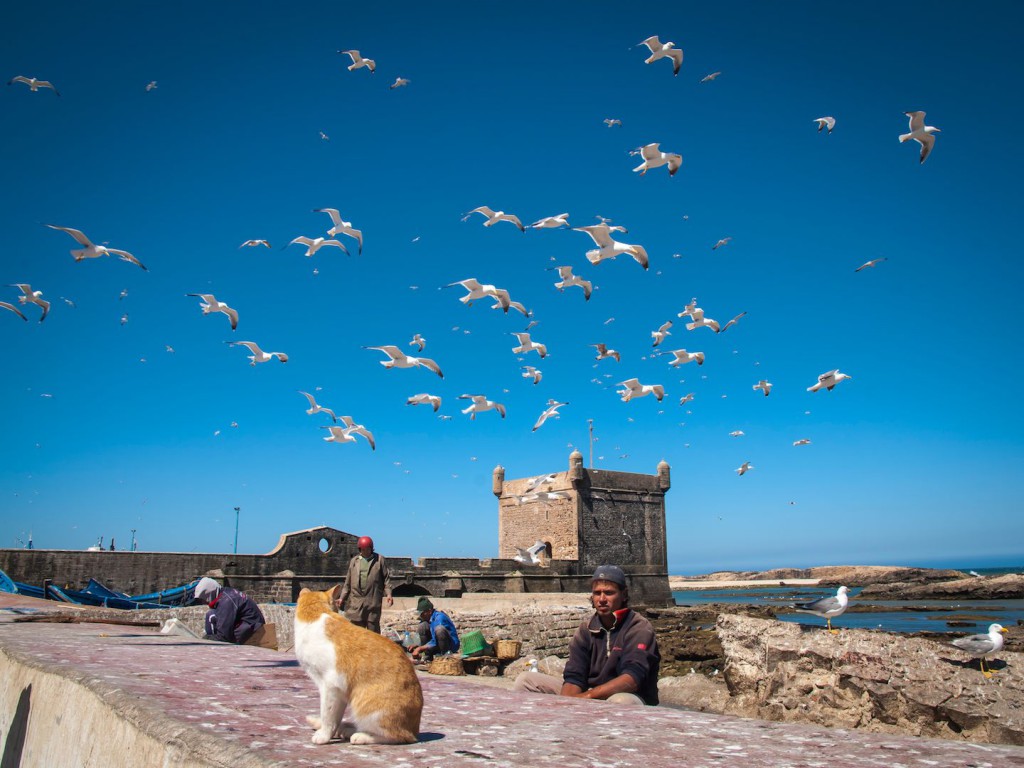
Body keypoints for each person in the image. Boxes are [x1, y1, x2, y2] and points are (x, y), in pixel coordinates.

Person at [513, 564, 660, 706]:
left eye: (609, 593)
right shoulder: (586, 630)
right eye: (597, 593)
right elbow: (574, 676)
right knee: (525, 681)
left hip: (627, 695)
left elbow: (632, 679)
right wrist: (569, 702)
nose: (602, 599)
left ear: (624, 595)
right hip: (588, 694)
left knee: (620, 702)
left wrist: (587, 697)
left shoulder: (638, 627)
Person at [337, 535, 393, 633]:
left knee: (373, 634)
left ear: (371, 548)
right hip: (356, 603)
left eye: (367, 549)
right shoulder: (354, 561)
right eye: (362, 549)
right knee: (357, 634)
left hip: (372, 603)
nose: (365, 551)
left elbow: (386, 580)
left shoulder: (379, 560)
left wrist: (389, 594)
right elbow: (347, 583)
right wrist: (342, 598)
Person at [193, 577, 266, 645]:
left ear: (209, 595)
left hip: (253, 626)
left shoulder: (226, 602)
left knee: (223, 637)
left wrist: (207, 640)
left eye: (203, 599)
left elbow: (223, 636)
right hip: (247, 621)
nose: (204, 602)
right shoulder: (225, 593)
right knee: (211, 614)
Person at [410, 596, 460, 661]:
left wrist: (420, 648)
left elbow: (435, 641)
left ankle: (445, 656)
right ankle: (427, 656)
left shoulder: (439, 618)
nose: (421, 616)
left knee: (439, 630)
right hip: (438, 643)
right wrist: (417, 645)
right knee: (422, 626)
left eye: (422, 613)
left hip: (450, 645)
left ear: (429, 611)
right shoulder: (430, 619)